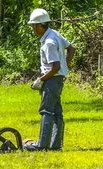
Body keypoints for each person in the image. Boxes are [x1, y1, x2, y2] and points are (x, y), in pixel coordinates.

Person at [26, 8, 75, 151]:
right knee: (56, 112)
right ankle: (55, 145)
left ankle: (42, 145)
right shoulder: (55, 34)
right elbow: (71, 49)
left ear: (38, 25)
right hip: (58, 79)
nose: (33, 29)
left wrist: (41, 80)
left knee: (46, 111)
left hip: (52, 79)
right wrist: (65, 68)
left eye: (33, 26)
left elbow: (54, 67)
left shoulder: (48, 42)